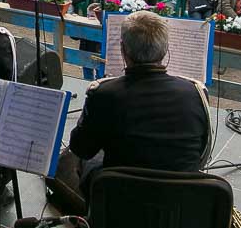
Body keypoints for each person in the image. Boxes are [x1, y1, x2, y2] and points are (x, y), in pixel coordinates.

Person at [66, 11, 210, 217]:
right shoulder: (196, 93)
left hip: (121, 203)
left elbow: (81, 148)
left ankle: (90, 218)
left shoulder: (104, 93)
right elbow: (202, 153)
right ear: (165, 50)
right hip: (180, 205)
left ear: (123, 49)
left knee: (86, 160)